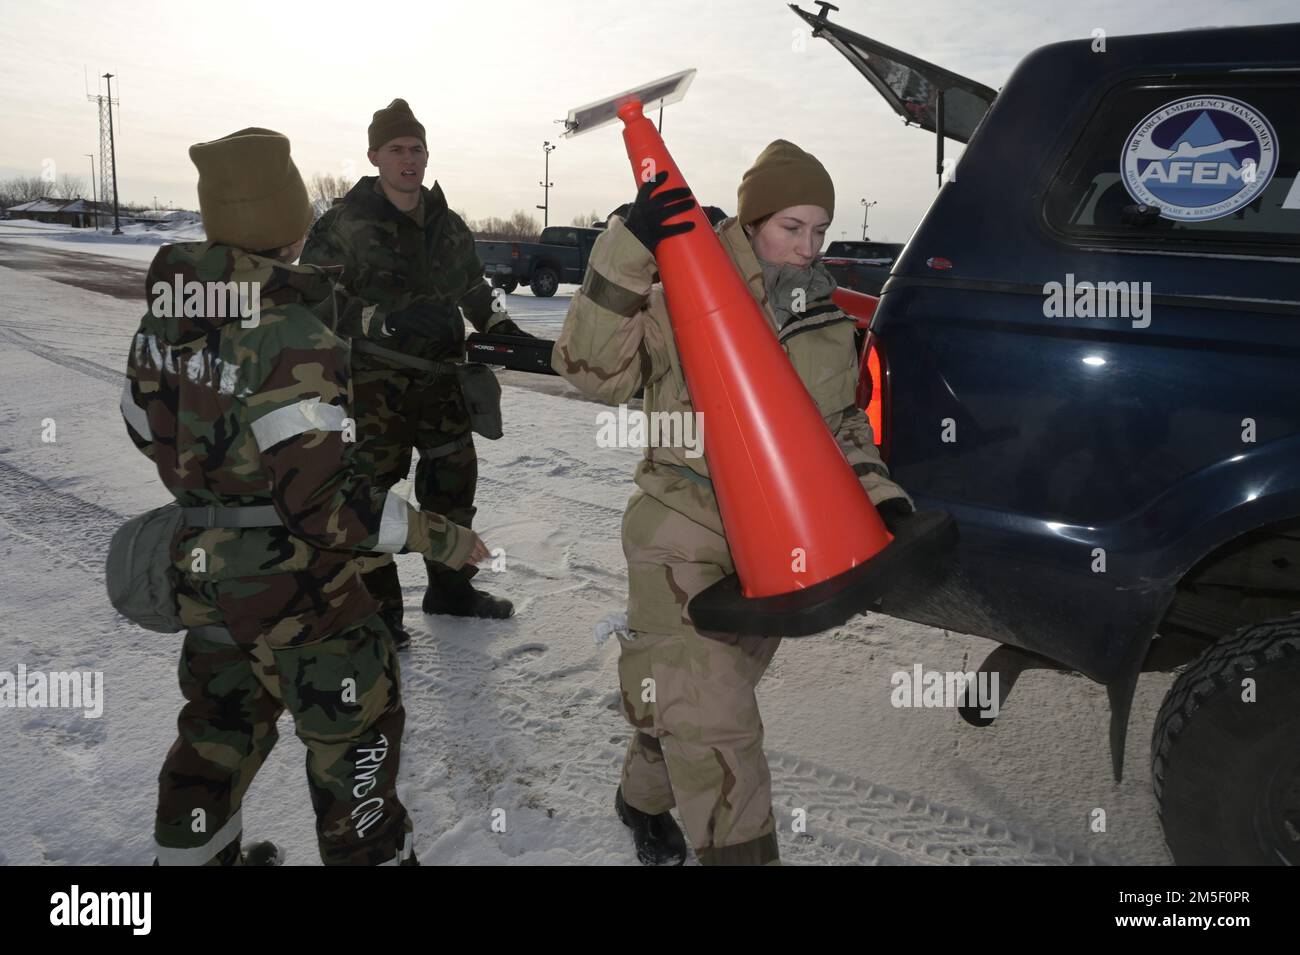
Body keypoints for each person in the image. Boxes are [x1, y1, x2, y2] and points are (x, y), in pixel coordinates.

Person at [121, 127, 489, 865]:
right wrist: (444, 538)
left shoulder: (169, 317)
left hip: (204, 575)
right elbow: (327, 506)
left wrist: (218, 471)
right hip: (300, 590)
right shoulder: (292, 332)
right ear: (288, 221)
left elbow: (141, 428)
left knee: (218, 729)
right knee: (354, 741)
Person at [553, 141, 914, 866]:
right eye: (792, 227)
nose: (808, 247)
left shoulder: (824, 316)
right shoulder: (686, 291)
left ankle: (641, 794)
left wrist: (881, 499)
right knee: (719, 725)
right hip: (680, 533)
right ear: (751, 222)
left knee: (692, 695)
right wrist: (629, 247)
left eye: (821, 231)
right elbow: (591, 372)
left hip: (776, 545)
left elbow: (841, 425)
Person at [302, 99, 528, 643]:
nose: (409, 159)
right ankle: (376, 612)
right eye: (397, 149)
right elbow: (310, 299)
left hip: (444, 380)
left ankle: (450, 589)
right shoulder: (343, 224)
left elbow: (474, 287)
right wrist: (382, 320)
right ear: (375, 155)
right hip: (372, 385)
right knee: (372, 493)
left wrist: (499, 327)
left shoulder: (447, 224)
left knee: (452, 486)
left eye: (417, 149)